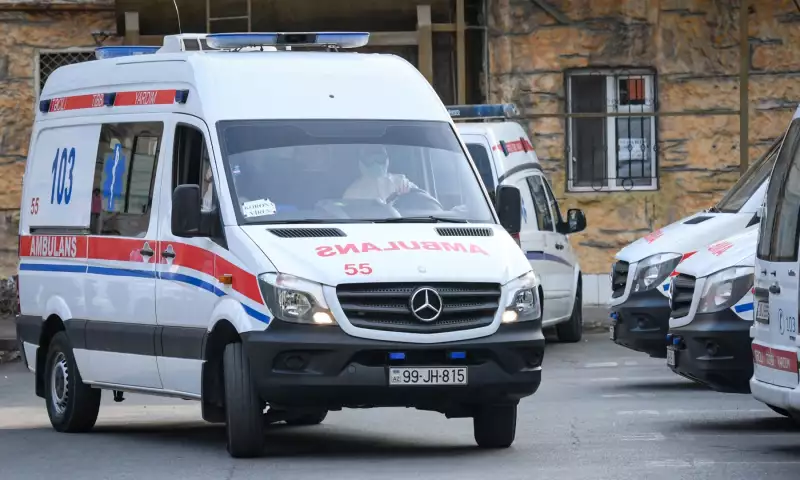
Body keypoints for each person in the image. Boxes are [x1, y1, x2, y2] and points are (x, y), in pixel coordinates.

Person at [343, 145, 415, 202]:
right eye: (370, 157)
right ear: (361, 161)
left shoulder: (401, 182)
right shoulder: (352, 193)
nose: (376, 163)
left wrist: (407, 198)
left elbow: (422, 199)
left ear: (386, 158)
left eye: (380, 157)